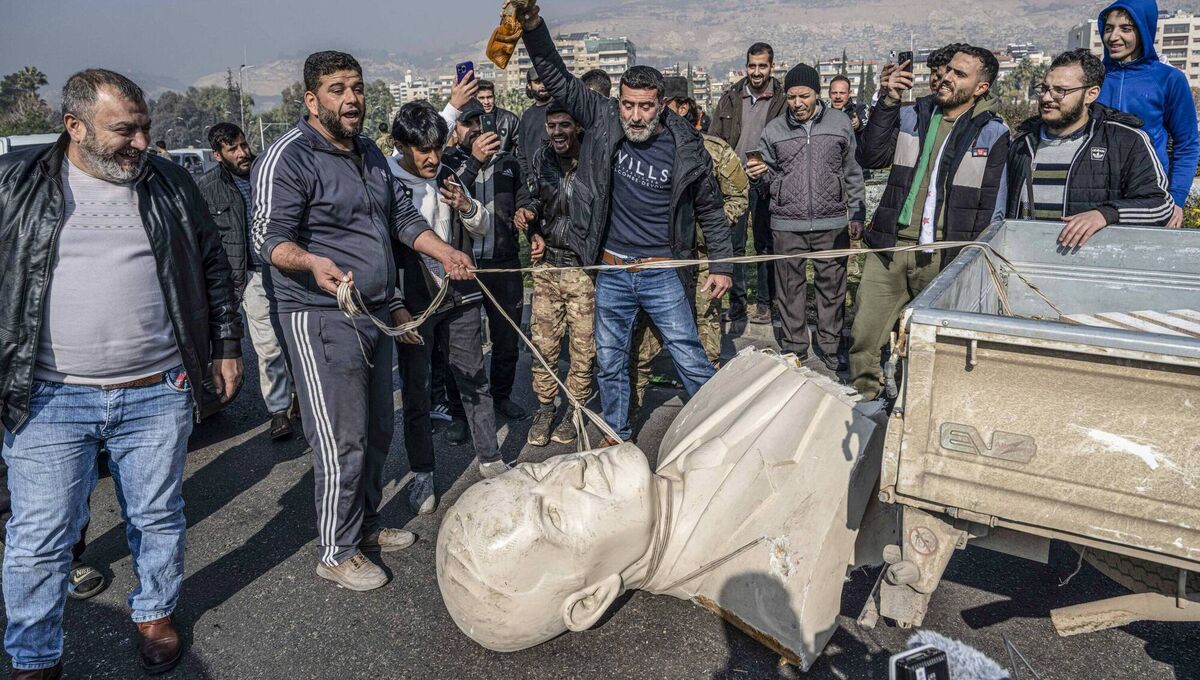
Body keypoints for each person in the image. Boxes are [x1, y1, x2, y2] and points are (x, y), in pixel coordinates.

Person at [0, 68, 244, 677]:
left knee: (157, 515)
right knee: (39, 537)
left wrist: (226, 344)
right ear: (74, 126)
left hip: (157, 390)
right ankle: (34, 657)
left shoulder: (169, 182)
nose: (141, 143)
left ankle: (155, 614)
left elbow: (213, 267)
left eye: (144, 128)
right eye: (124, 130)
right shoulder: (15, 184)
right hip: (48, 398)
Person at [252, 51, 473, 592]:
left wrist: (442, 251)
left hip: (373, 311)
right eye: (335, 89)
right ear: (311, 100)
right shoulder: (290, 156)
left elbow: (398, 218)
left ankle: (367, 525)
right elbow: (267, 236)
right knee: (340, 437)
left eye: (356, 87)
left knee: (378, 427)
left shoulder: (370, 151)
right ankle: (336, 549)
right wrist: (311, 263)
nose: (350, 99)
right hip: (319, 313)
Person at [518, 1, 735, 445]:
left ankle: (719, 436)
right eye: (629, 106)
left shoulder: (687, 145)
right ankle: (616, 434)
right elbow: (557, 77)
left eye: (645, 107)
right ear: (619, 102)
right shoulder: (601, 119)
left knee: (689, 355)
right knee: (611, 360)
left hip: (661, 271)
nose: (635, 116)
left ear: (662, 106)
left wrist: (723, 266)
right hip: (612, 268)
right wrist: (534, 27)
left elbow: (710, 209)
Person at [851, 45, 1009, 401]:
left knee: (926, 342)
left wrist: (969, 260)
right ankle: (865, 405)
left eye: (960, 74)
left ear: (981, 88)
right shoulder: (913, 115)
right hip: (891, 245)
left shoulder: (993, 133)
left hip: (941, 254)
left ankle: (911, 407)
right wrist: (887, 102)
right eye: (948, 70)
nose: (947, 77)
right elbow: (870, 155)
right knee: (865, 333)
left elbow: (992, 209)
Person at [388, 101, 510, 516]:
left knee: (474, 377)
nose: (433, 158)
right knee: (417, 391)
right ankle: (423, 471)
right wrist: (394, 307)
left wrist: (466, 206)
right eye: (423, 151)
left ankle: (490, 457)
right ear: (400, 146)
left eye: (438, 148)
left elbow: (482, 226)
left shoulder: (448, 173)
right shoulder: (385, 181)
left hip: (461, 296)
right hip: (414, 305)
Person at [627, 77, 749, 422]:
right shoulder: (642, 148)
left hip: (700, 257)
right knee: (645, 340)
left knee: (704, 336)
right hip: (659, 258)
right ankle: (628, 416)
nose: (674, 113)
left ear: (690, 109)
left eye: (681, 106)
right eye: (669, 106)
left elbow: (738, 196)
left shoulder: (712, 149)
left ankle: (705, 417)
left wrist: (707, 226)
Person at [747, 64, 865, 371]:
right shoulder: (774, 129)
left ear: (818, 94)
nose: (798, 103)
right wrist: (758, 175)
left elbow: (852, 171)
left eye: (804, 96)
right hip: (786, 224)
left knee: (832, 289)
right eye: (792, 97)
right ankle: (795, 346)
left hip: (832, 223)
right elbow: (766, 175)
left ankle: (830, 345)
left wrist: (857, 211)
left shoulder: (840, 123)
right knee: (789, 289)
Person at [1003, 49, 1173, 242]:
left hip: (1090, 266)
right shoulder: (1023, 142)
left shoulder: (1126, 141)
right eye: (1044, 88)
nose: (1047, 98)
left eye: (1060, 90)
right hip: (1025, 262)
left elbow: (1161, 205)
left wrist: (1106, 214)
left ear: (1091, 94)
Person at [198, 122, 297, 440]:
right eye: (232, 149)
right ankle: (279, 410)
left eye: (243, 145)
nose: (242, 153)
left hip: (279, 269)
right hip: (244, 277)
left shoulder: (266, 172)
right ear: (217, 155)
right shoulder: (207, 187)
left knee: (291, 339)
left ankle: (301, 403)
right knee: (268, 348)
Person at [442, 100, 530, 421]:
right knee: (461, 347)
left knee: (506, 341)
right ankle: (459, 412)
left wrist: (526, 212)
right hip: (462, 270)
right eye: (467, 123)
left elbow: (524, 197)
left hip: (504, 265)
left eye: (480, 121)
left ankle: (501, 397)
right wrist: (475, 161)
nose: (476, 128)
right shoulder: (447, 163)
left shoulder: (508, 162)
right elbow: (450, 195)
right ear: (455, 129)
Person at [516, 102, 596, 446]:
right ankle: (546, 407)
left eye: (564, 124)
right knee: (544, 345)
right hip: (547, 264)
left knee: (582, 346)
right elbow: (536, 197)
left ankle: (575, 408)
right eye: (552, 125)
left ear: (576, 126)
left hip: (582, 269)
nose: (558, 132)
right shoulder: (542, 158)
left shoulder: (594, 161)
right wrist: (528, 216)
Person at [1095, 0, 1198, 226]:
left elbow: (1187, 143)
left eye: (1126, 28)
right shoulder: (1093, 78)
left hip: (1147, 198)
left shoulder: (1169, 79)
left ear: (1144, 30)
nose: (1113, 37)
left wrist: (1176, 199)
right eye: (1109, 27)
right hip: (1095, 194)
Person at [710, 42, 788, 325]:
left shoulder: (781, 99)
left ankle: (765, 303)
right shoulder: (731, 97)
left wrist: (769, 164)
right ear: (746, 66)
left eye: (762, 66)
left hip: (767, 181)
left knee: (765, 245)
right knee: (735, 245)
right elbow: (714, 140)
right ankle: (739, 302)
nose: (756, 72)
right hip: (733, 183)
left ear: (771, 66)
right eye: (752, 66)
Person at [516, 68, 552, 187]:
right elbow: (522, 154)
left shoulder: (560, 109)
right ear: (529, 86)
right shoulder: (527, 116)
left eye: (545, 81)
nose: (542, 85)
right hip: (535, 184)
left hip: (559, 181)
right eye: (537, 82)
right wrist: (529, 177)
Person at [475, 79, 521, 153]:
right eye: (481, 98)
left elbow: (521, 148)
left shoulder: (510, 119)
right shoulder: (470, 121)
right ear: (475, 99)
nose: (486, 102)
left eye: (489, 97)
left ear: (494, 97)